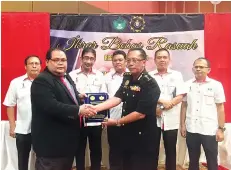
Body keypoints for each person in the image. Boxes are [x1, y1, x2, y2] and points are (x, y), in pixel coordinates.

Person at [90, 48, 161, 170]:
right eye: (129, 60)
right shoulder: (128, 77)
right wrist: (95, 108)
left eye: (135, 60)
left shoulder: (150, 84)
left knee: (141, 165)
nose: (131, 63)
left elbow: (140, 114)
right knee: (127, 163)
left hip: (144, 135)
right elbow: (118, 97)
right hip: (128, 131)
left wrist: (117, 122)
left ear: (143, 62)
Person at [30, 48, 96, 170]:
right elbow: (51, 106)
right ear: (47, 62)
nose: (61, 63)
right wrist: (78, 110)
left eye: (63, 60)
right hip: (51, 146)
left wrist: (78, 97)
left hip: (66, 144)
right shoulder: (42, 80)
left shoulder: (66, 77)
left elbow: (67, 96)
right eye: (56, 60)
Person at [180, 57, 226, 170]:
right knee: (193, 160)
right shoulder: (187, 84)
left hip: (209, 129)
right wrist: (182, 125)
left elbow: (220, 108)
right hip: (192, 128)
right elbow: (184, 105)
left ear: (208, 70)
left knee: (212, 160)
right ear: (193, 69)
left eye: (201, 67)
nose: (198, 69)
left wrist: (220, 129)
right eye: (196, 67)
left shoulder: (216, 85)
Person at [69, 47, 107, 170]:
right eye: (86, 58)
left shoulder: (100, 75)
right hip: (79, 118)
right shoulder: (72, 75)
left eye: (91, 58)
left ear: (94, 60)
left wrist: (102, 117)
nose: (88, 61)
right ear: (81, 58)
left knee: (96, 149)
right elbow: (68, 96)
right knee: (79, 149)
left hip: (95, 118)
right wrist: (78, 97)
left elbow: (104, 96)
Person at [3, 55, 41, 170]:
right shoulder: (16, 83)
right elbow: (9, 104)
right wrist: (12, 126)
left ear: (40, 66)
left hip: (42, 129)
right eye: (31, 63)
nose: (34, 66)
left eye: (37, 63)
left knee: (42, 159)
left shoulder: (46, 82)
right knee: (22, 159)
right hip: (23, 129)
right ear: (25, 67)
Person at [149, 48, 185, 170]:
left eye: (165, 57)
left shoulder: (177, 75)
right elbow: (147, 96)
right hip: (153, 118)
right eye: (159, 57)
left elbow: (180, 96)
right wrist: (156, 107)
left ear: (169, 60)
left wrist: (163, 107)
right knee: (152, 149)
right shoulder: (149, 76)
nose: (162, 60)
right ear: (155, 60)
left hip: (171, 119)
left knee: (170, 150)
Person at [104, 50, 128, 170]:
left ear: (126, 61)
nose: (117, 62)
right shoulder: (107, 78)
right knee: (114, 150)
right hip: (112, 119)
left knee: (129, 151)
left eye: (120, 60)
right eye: (115, 60)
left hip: (130, 120)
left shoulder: (133, 76)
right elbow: (104, 99)